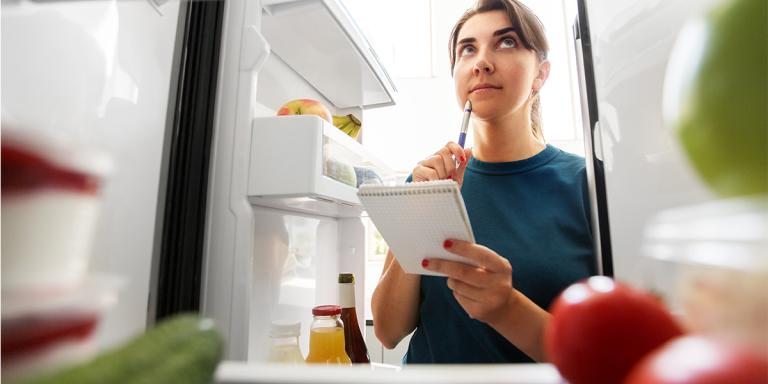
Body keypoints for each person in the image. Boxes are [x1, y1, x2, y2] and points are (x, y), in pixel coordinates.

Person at [371, 0, 596, 364]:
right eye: (467, 49)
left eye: (506, 42)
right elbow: (388, 330)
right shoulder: (427, 182)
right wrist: (421, 212)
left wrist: (507, 309)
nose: (481, 62)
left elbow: (598, 356)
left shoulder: (587, 185)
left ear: (540, 74)